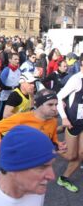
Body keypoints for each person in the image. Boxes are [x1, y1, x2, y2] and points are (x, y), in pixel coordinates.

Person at [0, 89, 65, 154]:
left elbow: (53, 140)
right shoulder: (22, 118)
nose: (55, 108)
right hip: (19, 159)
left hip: (37, 159)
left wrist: (58, 145)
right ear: (39, 104)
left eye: (56, 104)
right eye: (50, 104)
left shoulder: (53, 121)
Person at [56, 53, 83, 192]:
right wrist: (64, 118)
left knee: (82, 153)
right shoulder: (76, 79)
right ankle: (52, 148)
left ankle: (64, 178)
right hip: (73, 122)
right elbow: (59, 97)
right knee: (71, 155)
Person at [0, 52, 21, 123]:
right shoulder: (6, 70)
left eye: (18, 59)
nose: (18, 61)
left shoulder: (19, 71)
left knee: (12, 117)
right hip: (5, 97)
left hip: (15, 98)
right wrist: (13, 88)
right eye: (15, 59)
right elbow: (1, 85)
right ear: (10, 60)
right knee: (0, 117)